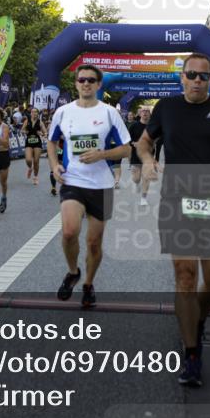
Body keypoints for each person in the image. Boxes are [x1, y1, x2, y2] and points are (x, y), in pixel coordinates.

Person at [136, 53, 210, 387]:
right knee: (186, 277)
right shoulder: (166, 109)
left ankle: (196, 319)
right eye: (191, 74)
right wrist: (147, 161)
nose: (197, 80)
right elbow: (144, 143)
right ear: (182, 77)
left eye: (204, 76)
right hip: (176, 202)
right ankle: (191, 353)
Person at [47, 65, 131, 308]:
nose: (86, 83)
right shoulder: (63, 112)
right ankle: (73, 272)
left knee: (94, 242)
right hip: (72, 180)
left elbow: (127, 148)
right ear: (75, 83)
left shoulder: (109, 113)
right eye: (81, 79)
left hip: (101, 185)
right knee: (69, 231)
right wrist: (54, 166)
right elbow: (51, 142)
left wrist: (102, 154)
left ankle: (88, 283)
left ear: (98, 84)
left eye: (91, 80)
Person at [128, 107, 157, 206]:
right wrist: (134, 143)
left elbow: (158, 139)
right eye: (143, 111)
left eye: (147, 111)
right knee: (136, 178)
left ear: (149, 114)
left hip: (148, 156)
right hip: (136, 155)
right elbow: (127, 139)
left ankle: (143, 198)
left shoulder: (153, 126)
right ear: (139, 114)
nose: (145, 113)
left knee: (146, 177)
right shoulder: (133, 126)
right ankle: (136, 183)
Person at [22, 107, 46, 185]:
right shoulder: (27, 121)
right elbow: (22, 130)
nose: (34, 113)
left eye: (36, 112)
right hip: (28, 142)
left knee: (36, 161)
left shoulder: (40, 122)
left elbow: (45, 133)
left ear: (37, 114)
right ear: (30, 113)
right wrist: (25, 131)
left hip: (37, 143)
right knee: (28, 160)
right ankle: (30, 168)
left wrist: (41, 133)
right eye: (32, 112)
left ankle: (35, 177)